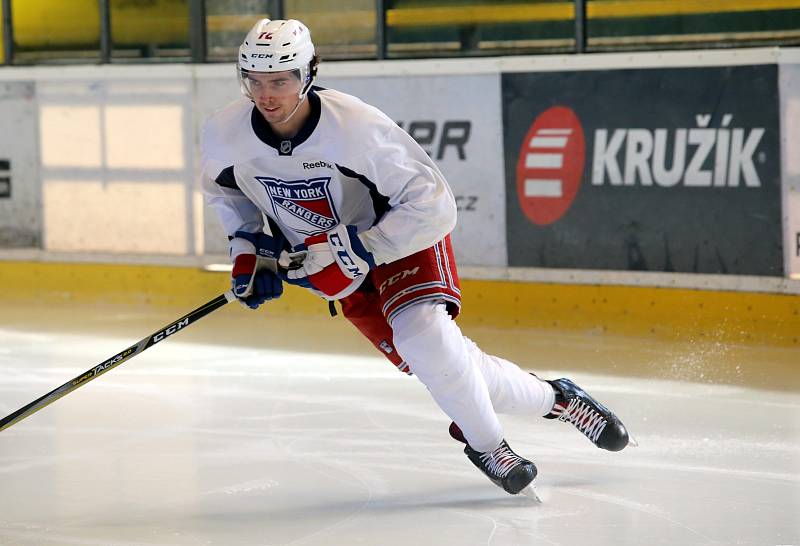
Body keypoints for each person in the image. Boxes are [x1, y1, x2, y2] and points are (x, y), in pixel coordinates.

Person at [201, 18, 633, 497]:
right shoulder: (224, 134)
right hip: (330, 266)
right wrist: (247, 253)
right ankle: (559, 399)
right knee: (440, 364)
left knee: (425, 339)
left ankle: (486, 445)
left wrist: (366, 247)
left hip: (401, 238)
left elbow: (433, 203)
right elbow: (229, 197)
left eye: (280, 80)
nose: (267, 94)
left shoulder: (356, 127)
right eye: (255, 81)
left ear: (310, 72)